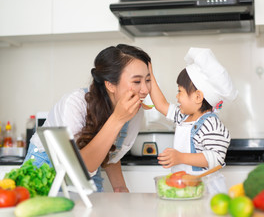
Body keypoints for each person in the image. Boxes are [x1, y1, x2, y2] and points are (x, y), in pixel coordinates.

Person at [23, 44, 152, 192]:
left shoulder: (134, 112)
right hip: (45, 168)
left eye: (147, 80)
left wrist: (120, 187)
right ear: (110, 84)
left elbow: (110, 154)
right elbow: (77, 166)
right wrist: (117, 119)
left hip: (88, 173)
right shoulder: (75, 104)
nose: (145, 90)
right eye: (137, 81)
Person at [149, 47, 238, 192]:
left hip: (205, 189)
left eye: (180, 91)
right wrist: (150, 77)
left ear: (198, 97)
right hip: (184, 186)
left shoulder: (210, 123)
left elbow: (216, 158)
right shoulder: (183, 117)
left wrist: (180, 157)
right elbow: (161, 105)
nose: (177, 97)